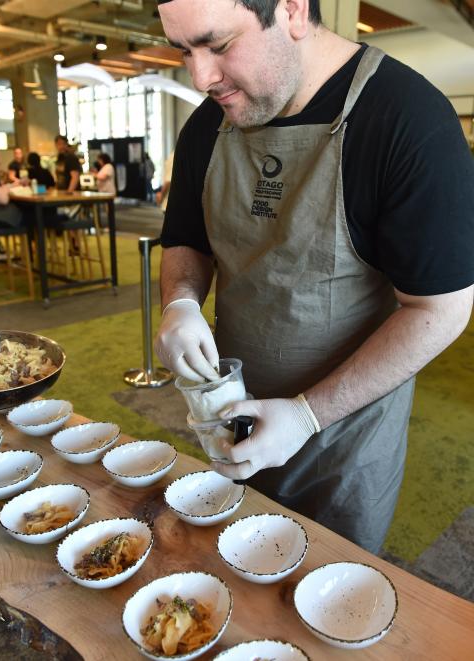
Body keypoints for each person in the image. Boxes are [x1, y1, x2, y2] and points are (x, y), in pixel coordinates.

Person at [154, 0, 474, 554]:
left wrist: (305, 417)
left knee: (323, 599)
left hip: (343, 436)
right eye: (184, 51)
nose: (201, 76)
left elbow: (440, 309)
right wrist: (179, 302)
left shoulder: (405, 117)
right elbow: (187, 237)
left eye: (219, 45)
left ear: (294, 11)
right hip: (231, 415)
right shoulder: (211, 121)